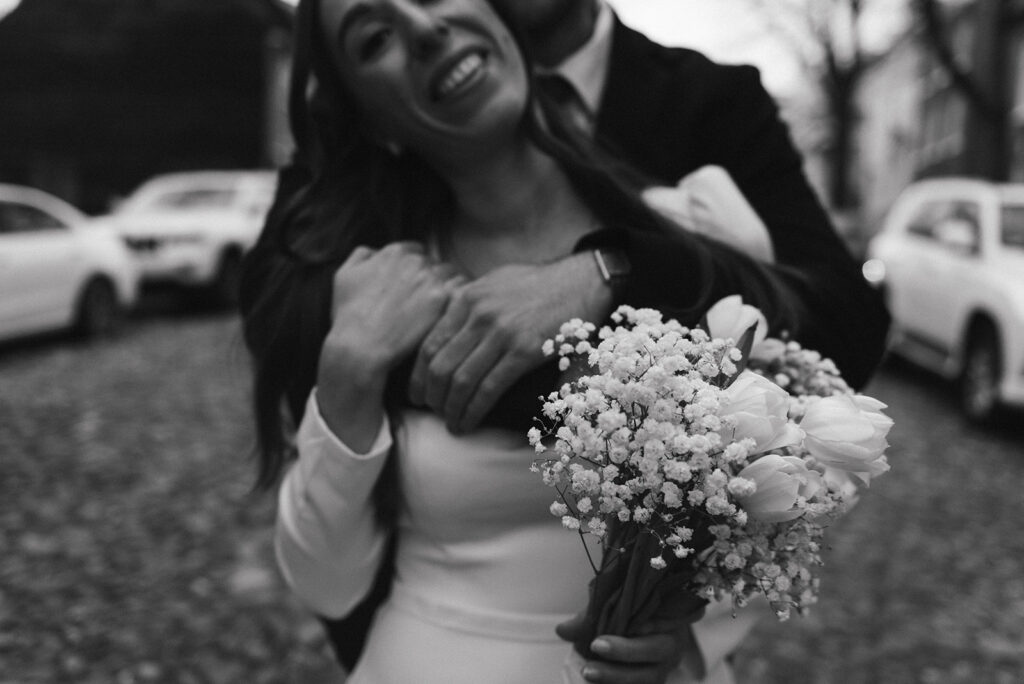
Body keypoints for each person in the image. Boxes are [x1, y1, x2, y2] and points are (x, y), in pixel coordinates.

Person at [240, 0, 891, 682]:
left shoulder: (684, 233)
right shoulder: (376, 289)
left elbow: (782, 466)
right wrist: (346, 371)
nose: (425, 26)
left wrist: (684, 633)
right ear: (366, 118)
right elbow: (326, 584)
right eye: (375, 39)